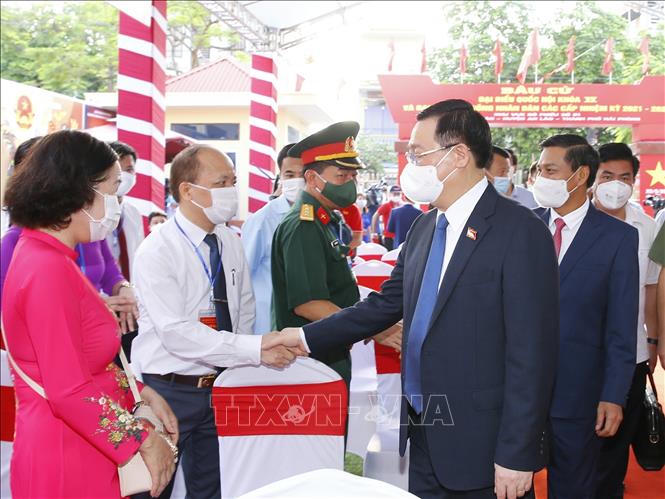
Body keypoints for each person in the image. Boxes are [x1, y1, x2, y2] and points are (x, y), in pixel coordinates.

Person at [274, 100, 559, 499]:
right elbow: (383, 305)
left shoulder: (520, 231)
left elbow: (533, 354)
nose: (410, 166)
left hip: (484, 441)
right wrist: (302, 338)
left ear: (458, 155)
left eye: (418, 154)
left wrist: (517, 452)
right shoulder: (426, 227)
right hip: (425, 431)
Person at [1, 130, 177, 498]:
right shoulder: (46, 267)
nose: (117, 204)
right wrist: (142, 440)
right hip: (65, 456)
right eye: (112, 191)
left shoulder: (53, 256)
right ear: (79, 192)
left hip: (82, 445)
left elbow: (80, 361)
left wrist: (140, 391)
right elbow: (67, 390)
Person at [131, 144, 299, 499]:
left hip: (220, 386)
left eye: (232, 182)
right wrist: (253, 349)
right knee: (153, 487)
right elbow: (176, 333)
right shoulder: (158, 250)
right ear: (187, 190)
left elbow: (244, 310)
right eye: (221, 183)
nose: (230, 191)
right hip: (168, 390)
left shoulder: (228, 241)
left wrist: (245, 357)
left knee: (213, 487)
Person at [532, 134, 639, 499]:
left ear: (579, 176)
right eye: (539, 169)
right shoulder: (523, 227)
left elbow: (621, 326)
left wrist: (614, 395)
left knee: (574, 489)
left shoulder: (618, 238)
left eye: (550, 170)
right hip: (516, 392)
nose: (540, 178)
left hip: (579, 396)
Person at [271, 122, 401, 390]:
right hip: (311, 361)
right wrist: (372, 327)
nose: (350, 184)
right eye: (342, 176)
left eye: (353, 176)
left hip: (329, 350)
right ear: (312, 179)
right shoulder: (304, 226)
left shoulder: (326, 219)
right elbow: (309, 304)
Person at [0, 138, 139, 336]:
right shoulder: (24, 246)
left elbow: (110, 271)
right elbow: (17, 313)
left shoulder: (89, 231)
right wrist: (92, 308)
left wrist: (123, 289)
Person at [590, 142, 660, 498]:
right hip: (577, 352)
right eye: (607, 176)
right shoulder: (568, 222)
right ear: (591, 176)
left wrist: (653, 341)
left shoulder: (646, 227)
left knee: (616, 438)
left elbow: (652, 290)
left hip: (630, 352)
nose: (615, 185)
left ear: (634, 181)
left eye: (625, 177)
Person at [241, 143, 304, 334]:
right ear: (280, 177)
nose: (296, 181)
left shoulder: (318, 216)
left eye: (302, 174)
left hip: (304, 323)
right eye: (289, 175)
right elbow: (243, 275)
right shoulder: (263, 220)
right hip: (268, 323)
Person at [106, 141, 145, 281]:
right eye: (118, 169)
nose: (123, 176)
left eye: (129, 170)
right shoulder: (90, 213)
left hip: (131, 288)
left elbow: (139, 255)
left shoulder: (134, 214)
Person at [371, 185, 403, 250]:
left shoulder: (402, 205)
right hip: (389, 237)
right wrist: (374, 232)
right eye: (394, 194)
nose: (396, 195)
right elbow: (375, 216)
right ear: (390, 194)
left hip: (400, 236)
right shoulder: (387, 205)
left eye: (398, 194)